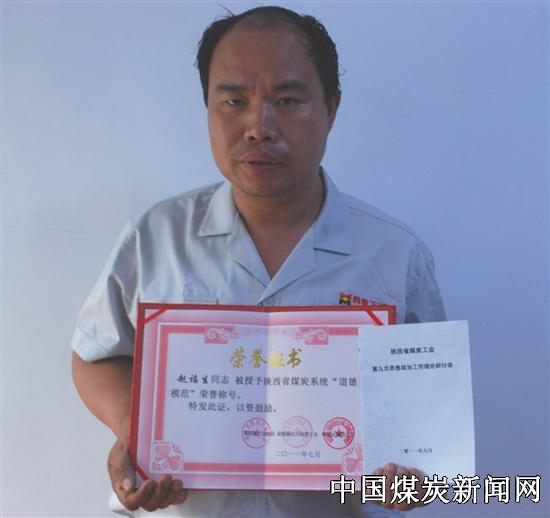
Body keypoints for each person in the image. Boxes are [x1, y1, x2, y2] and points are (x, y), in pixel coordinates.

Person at [71, 6, 445, 517]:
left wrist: (417, 477)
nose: (259, 127)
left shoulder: (396, 256)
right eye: (234, 101)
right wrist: (134, 429)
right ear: (208, 108)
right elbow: (95, 354)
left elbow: (429, 413)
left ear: (331, 109)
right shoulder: (155, 237)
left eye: (287, 100)